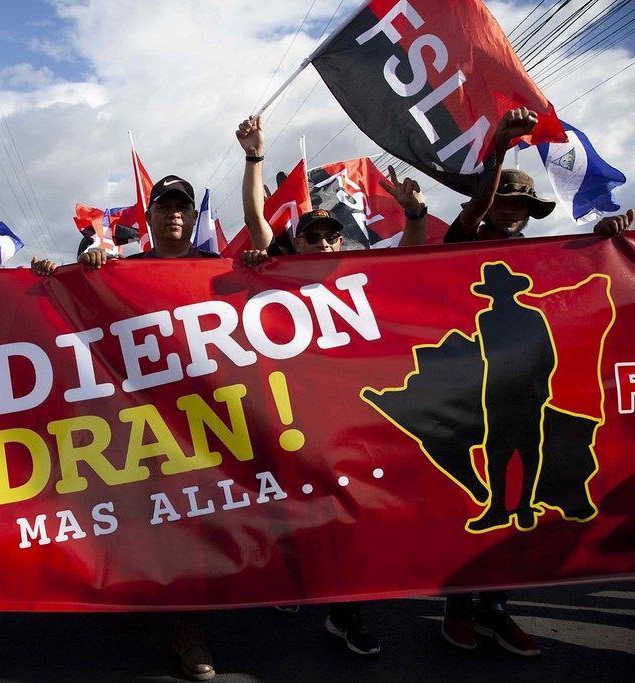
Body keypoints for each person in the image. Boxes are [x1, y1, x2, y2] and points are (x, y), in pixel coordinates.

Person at [439, 107, 633, 658]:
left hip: (529, 401)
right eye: (504, 200)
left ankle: (497, 607)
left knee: (526, 483)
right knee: (476, 485)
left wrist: (607, 241)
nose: (511, 212)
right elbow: (473, 207)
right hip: (473, 400)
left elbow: (573, 312)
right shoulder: (456, 249)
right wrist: (498, 149)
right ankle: (458, 605)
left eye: (521, 205)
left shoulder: (540, 269)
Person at [235, 114, 429, 657]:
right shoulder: (278, 272)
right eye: (310, 235)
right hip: (291, 414)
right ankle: (291, 579)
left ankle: (347, 613)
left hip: (351, 417)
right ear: (294, 244)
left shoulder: (359, 274)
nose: (322, 241)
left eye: (329, 234)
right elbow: (255, 218)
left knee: (350, 514)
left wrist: (414, 211)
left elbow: (414, 255)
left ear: (341, 238)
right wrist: (254, 157)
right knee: (292, 505)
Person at [32, 175, 219, 681]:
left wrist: (255, 267)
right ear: (150, 216)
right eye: (165, 206)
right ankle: (144, 597)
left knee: (191, 521)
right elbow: (70, 309)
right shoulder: (123, 270)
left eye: (183, 206)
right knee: (143, 515)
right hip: (137, 422)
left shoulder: (217, 270)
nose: (175, 214)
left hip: (203, 420)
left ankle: (189, 629)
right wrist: (58, 273)